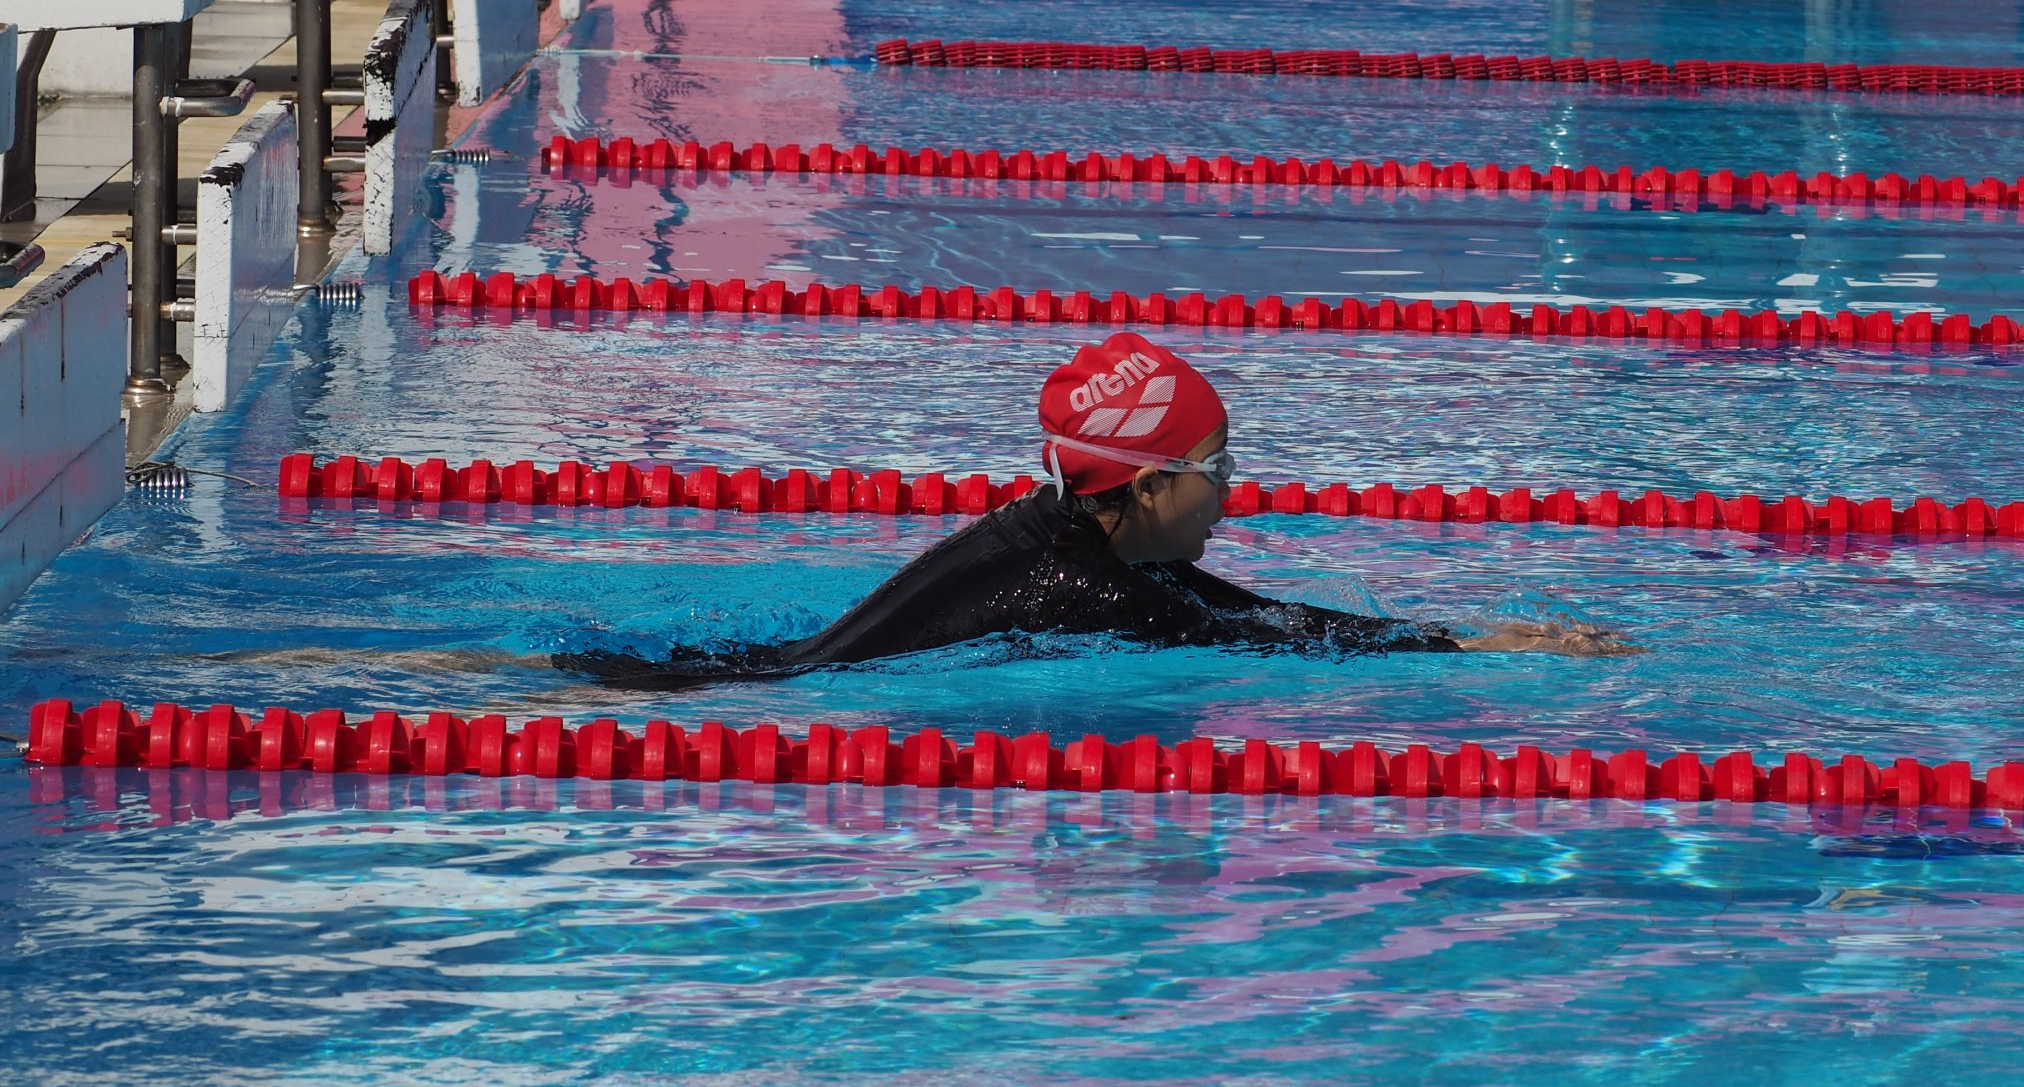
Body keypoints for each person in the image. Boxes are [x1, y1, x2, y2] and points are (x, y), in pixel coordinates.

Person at [562, 332, 1625, 686]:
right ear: (1150, 485)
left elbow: (1250, 608)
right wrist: (1469, 660)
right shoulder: (1094, 585)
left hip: (763, 667)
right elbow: (1256, 641)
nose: (1232, 491)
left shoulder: (1066, 530)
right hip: (750, 700)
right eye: (1216, 465)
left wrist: (1462, 636)